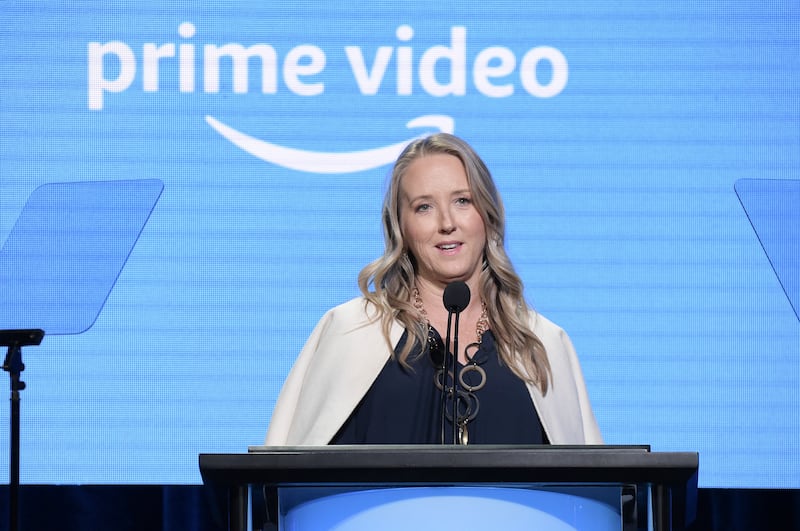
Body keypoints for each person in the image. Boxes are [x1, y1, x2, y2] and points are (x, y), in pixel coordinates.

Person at [265, 133, 602, 446]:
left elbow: (590, 489)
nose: (446, 223)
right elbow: (284, 483)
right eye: (423, 207)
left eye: (462, 201)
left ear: (488, 214)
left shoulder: (542, 343)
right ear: (401, 226)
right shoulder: (352, 330)